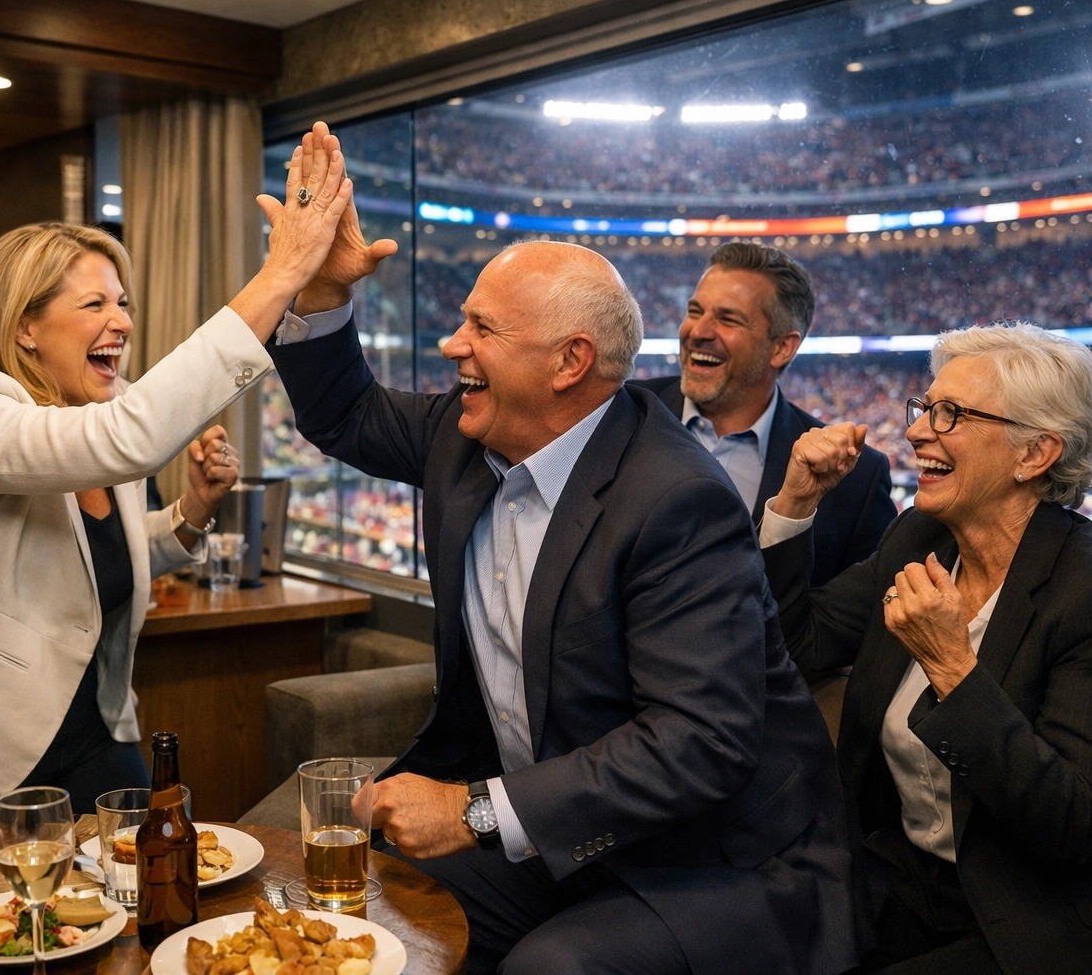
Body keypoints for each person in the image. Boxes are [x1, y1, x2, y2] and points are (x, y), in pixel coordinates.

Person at [265, 124, 859, 975]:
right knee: (362, 920)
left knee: (554, 968)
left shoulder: (676, 500)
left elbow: (699, 742)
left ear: (569, 363)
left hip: (711, 860)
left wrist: (475, 811)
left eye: (480, 329)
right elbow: (342, 413)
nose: (451, 346)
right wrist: (320, 291)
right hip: (562, 838)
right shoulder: (461, 437)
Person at [0, 137, 356, 823]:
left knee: (153, 891)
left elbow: (85, 556)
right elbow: (131, 441)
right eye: (95, 305)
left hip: (93, 727)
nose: (122, 321)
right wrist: (283, 271)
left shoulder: (94, 411)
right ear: (25, 325)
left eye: (123, 302)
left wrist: (191, 513)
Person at [760, 322, 1092, 974]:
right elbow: (799, 643)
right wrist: (795, 505)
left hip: (1025, 919)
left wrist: (952, 668)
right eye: (923, 408)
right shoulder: (918, 537)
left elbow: (1072, 824)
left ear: (1035, 455)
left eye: (951, 414)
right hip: (887, 882)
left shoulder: (1081, 590)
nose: (915, 432)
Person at [632, 241, 895, 587]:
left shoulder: (854, 481)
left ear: (782, 348)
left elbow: (853, 623)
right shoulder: (625, 413)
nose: (698, 332)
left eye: (728, 319)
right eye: (694, 311)